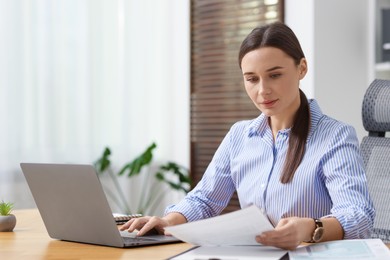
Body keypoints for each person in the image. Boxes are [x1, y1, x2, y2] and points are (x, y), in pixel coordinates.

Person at [120, 22, 375, 250]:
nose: (263, 90)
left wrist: (310, 228)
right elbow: (206, 199)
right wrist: (167, 222)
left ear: (302, 68)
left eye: (275, 75)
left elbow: (358, 214)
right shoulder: (239, 136)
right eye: (252, 79)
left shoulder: (334, 136)